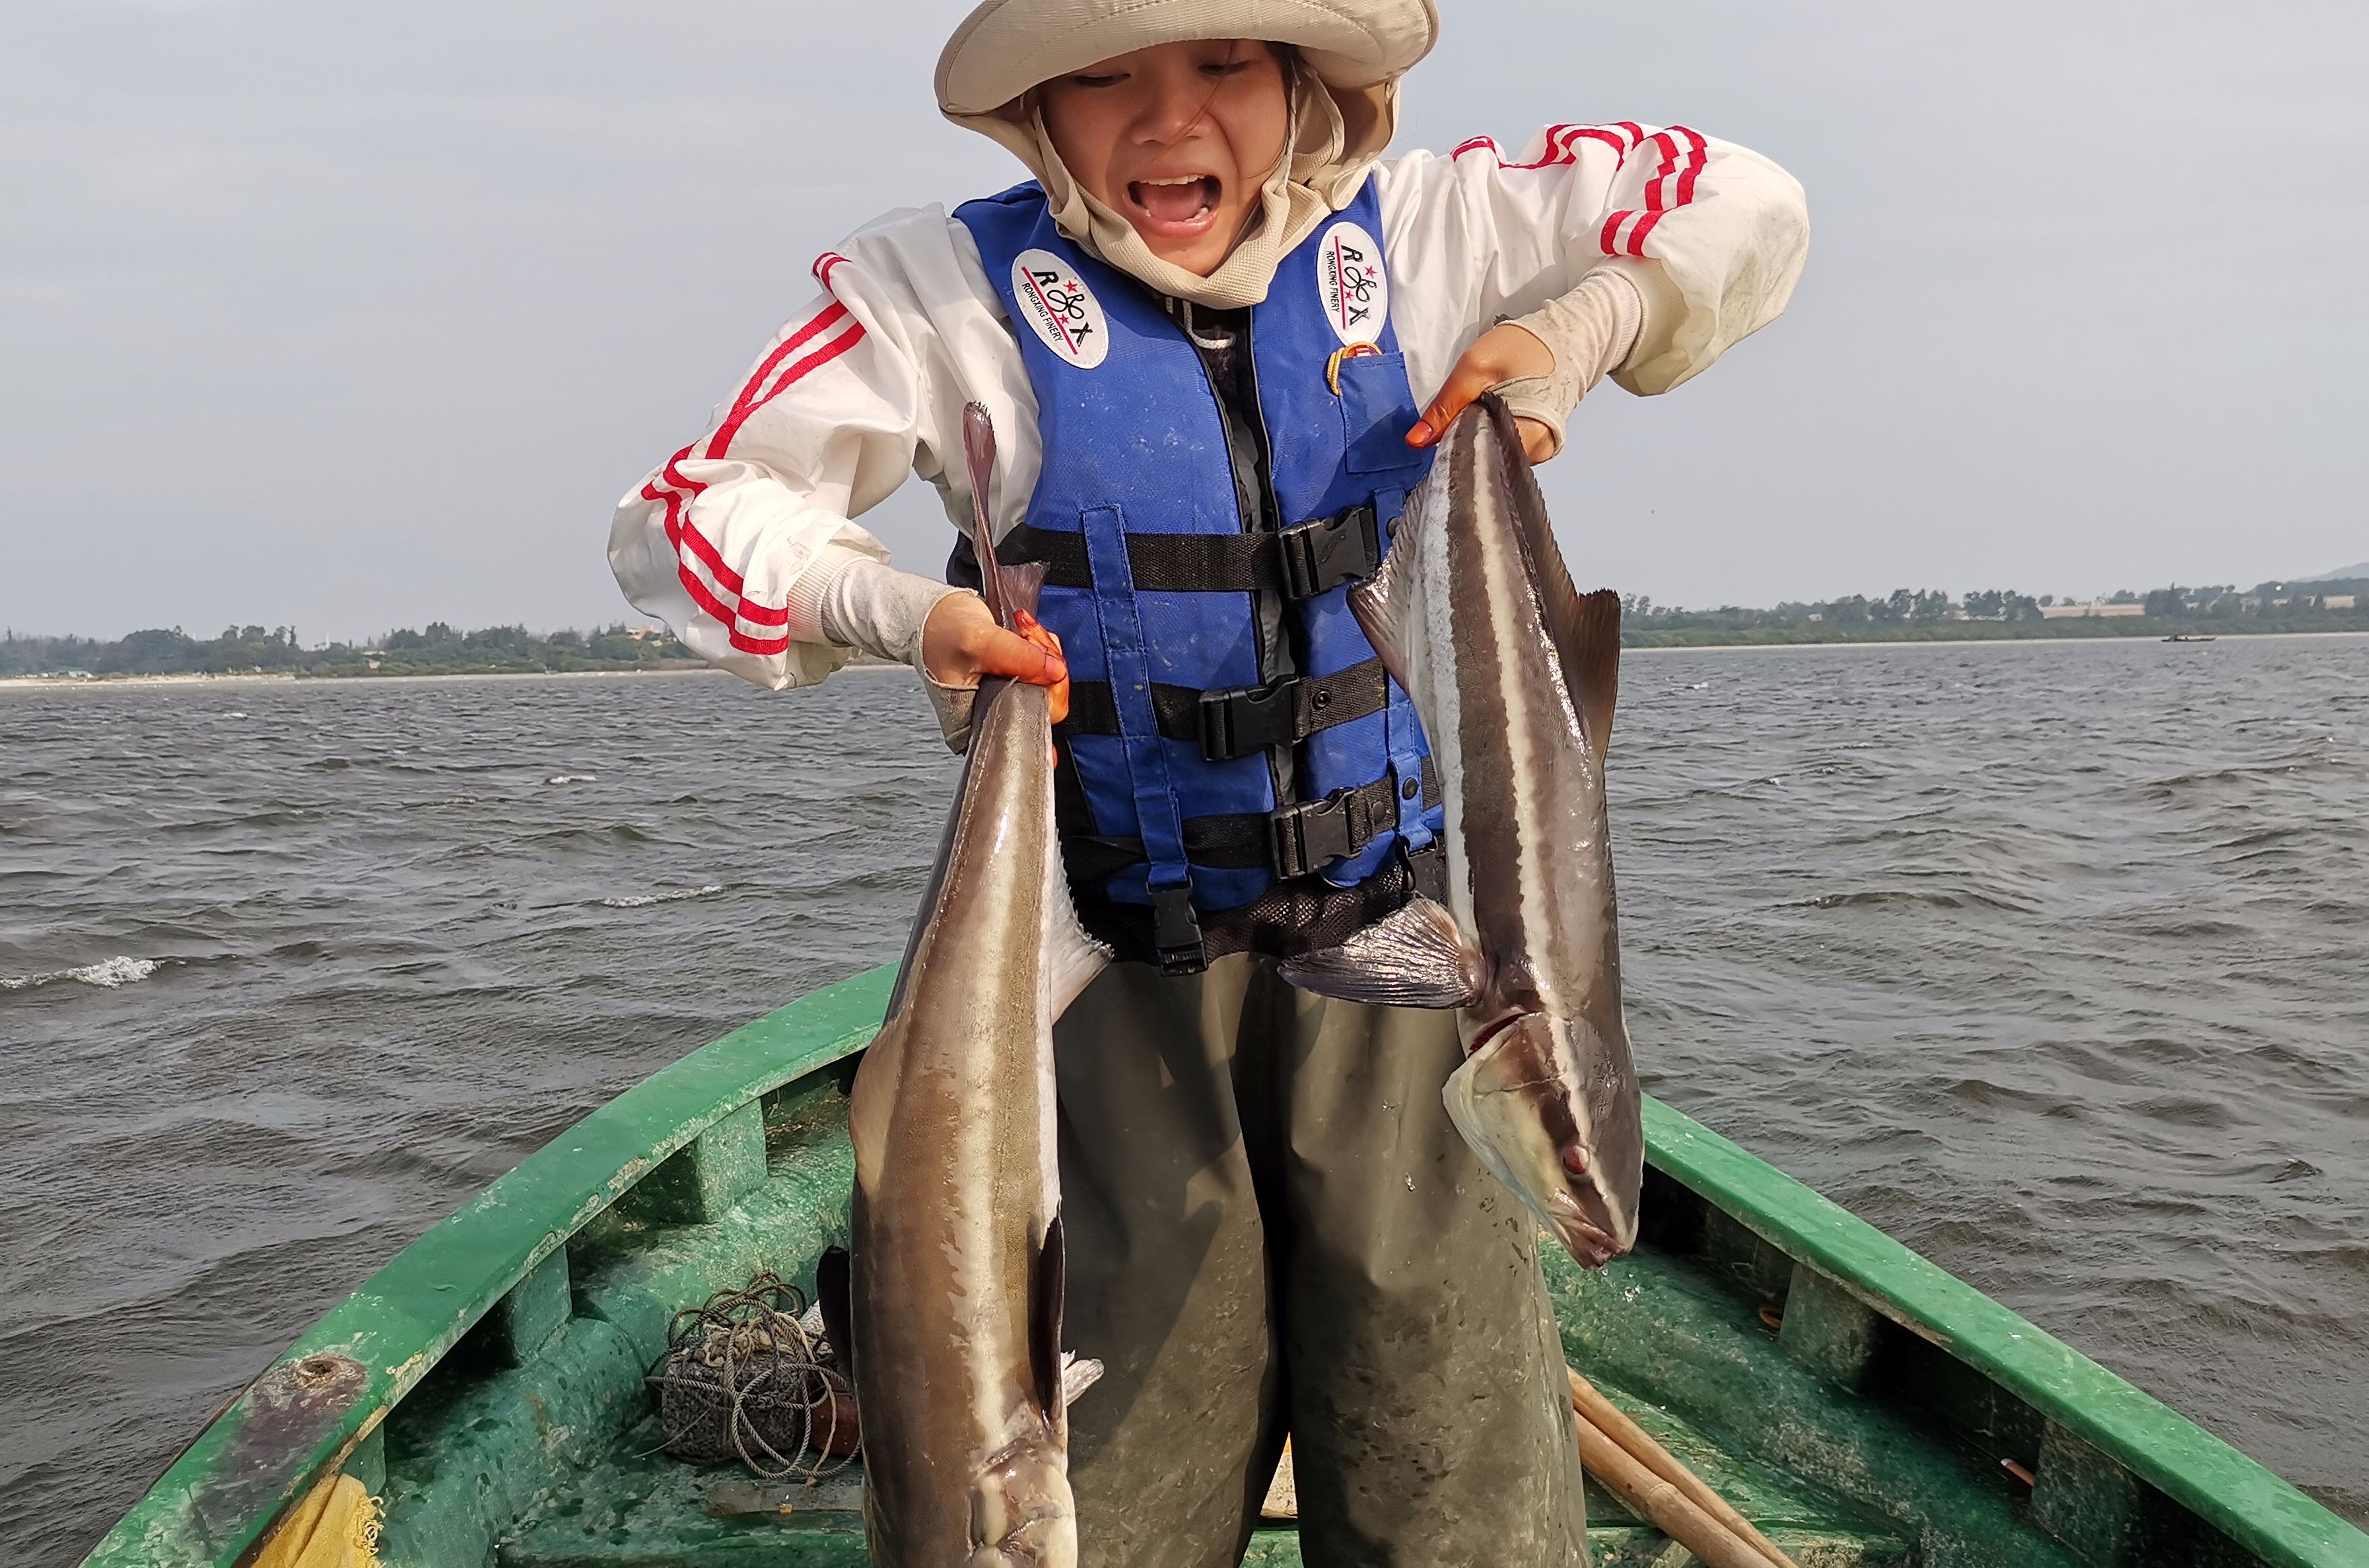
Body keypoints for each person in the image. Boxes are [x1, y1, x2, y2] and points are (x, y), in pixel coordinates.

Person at [610, 3, 1807, 1562]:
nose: (1166, 120)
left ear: (1307, 82)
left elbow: (1746, 203)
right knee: (1105, 1497)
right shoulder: (937, 290)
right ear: (1038, 106)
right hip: (1103, 981)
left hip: (1409, 978)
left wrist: (1578, 330)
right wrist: (900, 614)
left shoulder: (1439, 229)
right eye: (1105, 74)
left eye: (1222, 64)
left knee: (1455, 1483)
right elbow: (688, 518)